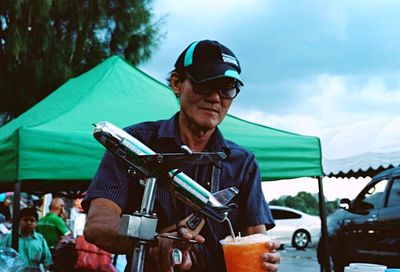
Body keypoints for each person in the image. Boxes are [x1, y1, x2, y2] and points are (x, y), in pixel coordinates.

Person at [83, 39, 281, 272]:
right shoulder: (135, 144)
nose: (216, 98)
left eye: (227, 88)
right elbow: (97, 225)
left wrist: (265, 258)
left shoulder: (242, 162)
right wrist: (155, 240)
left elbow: (256, 237)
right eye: (206, 84)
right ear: (177, 83)